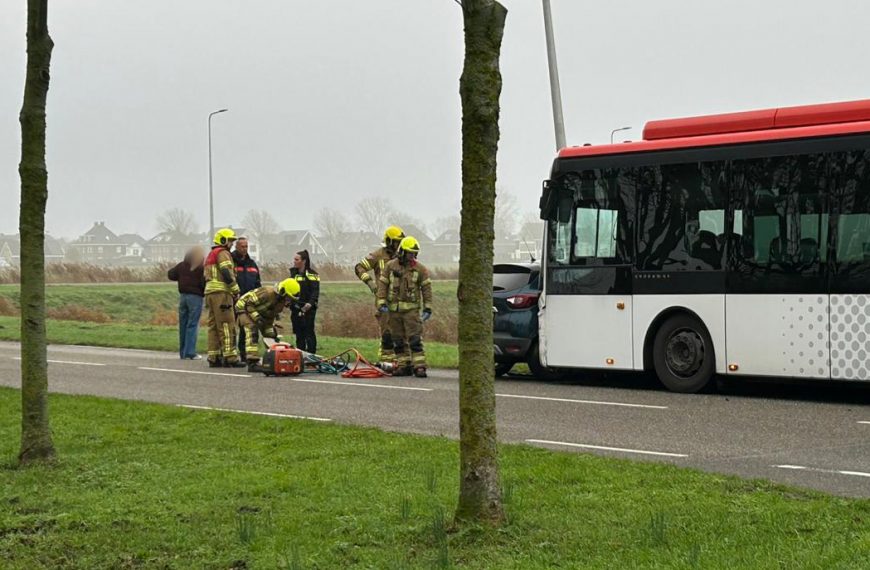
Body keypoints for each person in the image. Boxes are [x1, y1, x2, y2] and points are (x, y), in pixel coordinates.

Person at [376, 236, 433, 377]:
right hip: (393, 311)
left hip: (411, 312)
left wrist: (428, 307)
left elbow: (426, 289)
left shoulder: (420, 269)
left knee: (414, 339)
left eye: (414, 253)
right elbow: (383, 285)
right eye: (409, 253)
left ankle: (420, 367)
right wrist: (381, 302)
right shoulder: (390, 266)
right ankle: (404, 366)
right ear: (402, 251)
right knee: (398, 340)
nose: (412, 256)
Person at [355, 225, 404, 364]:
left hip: (400, 300)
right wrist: (370, 283)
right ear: (389, 241)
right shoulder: (378, 255)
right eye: (396, 241)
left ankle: (399, 359)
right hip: (384, 300)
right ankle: (387, 360)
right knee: (387, 330)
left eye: (400, 241)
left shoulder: (402, 256)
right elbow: (359, 267)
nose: (398, 244)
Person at [235, 278, 301, 372]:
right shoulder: (267, 293)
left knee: (270, 335)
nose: (288, 301)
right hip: (244, 307)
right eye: (288, 298)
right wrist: (257, 318)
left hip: (260, 312)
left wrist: (270, 332)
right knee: (252, 329)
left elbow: (270, 316)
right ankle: (252, 362)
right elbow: (249, 304)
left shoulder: (280, 302)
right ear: (282, 292)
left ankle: (273, 357)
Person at [204, 228, 244, 368]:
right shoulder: (223, 253)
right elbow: (227, 272)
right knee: (227, 325)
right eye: (230, 240)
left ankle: (213, 357)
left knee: (214, 327)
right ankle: (230, 357)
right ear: (223, 240)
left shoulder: (212, 254)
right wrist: (235, 289)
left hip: (210, 293)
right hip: (222, 294)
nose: (232, 244)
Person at [167, 246, 206, 360]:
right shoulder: (200, 268)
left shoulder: (181, 266)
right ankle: (190, 352)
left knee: (183, 325)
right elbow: (204, 282)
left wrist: (181, 278)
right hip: (195, 297)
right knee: (192, 324)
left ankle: (183, 352)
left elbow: (171, 274)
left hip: (183, 297)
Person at [232, 237, 261, 361]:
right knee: (231, 328)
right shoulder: (231, 261)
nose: (245, 249)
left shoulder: (252, 263)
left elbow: (257, 282)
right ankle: (230, 354)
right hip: (233, 299)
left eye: (246, 246)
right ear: (236, 247)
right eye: (242, 246)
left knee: (247, 328)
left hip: (249, 302)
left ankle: (244, 353)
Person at [290, 249, 320, 354]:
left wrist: (310, 304)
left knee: (309, 332)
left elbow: (315, 291)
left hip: (309, 309)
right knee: (299, 333)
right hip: (296, 308)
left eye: (296, 259)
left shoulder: (312, 274)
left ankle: (311, 356)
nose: (294, 261)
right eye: (294, 259)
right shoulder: (293, 274)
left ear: (304, 261)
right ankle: (300, 355)